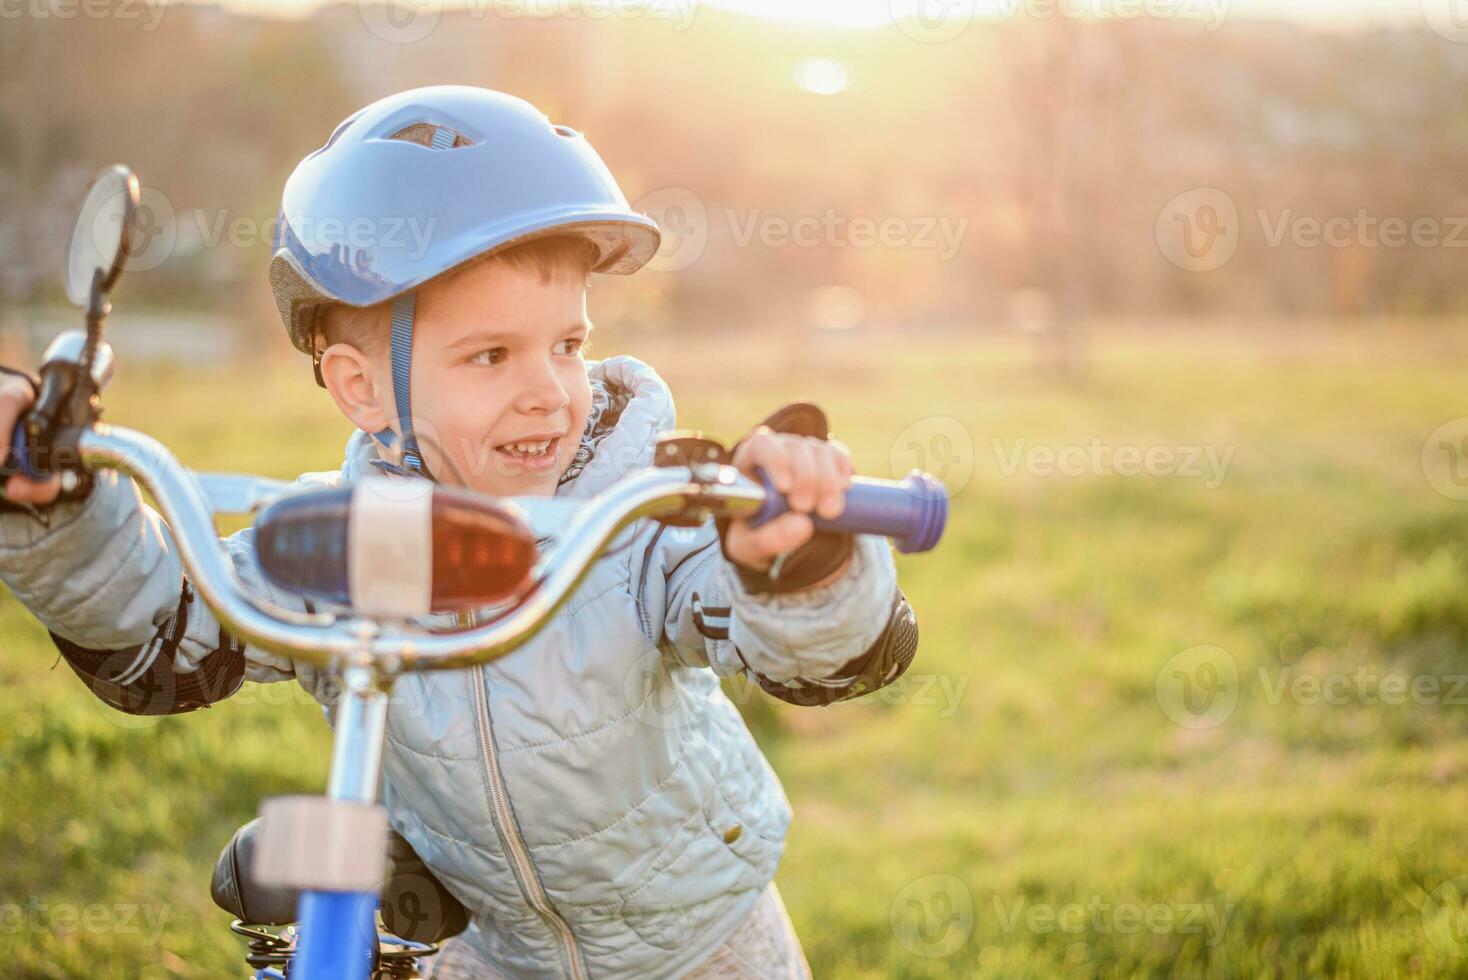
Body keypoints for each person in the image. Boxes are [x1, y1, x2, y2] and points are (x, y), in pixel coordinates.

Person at [0, 86, 919, 979]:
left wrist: (792, 558)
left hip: (700, 942)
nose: (550, 390)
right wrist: (55, 515)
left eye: (567, 344)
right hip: (482, 947)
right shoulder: (342, 547)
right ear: (364, 390)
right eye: (491, 355)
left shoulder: (637, 517)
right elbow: (167, 633)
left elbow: (806, 654)